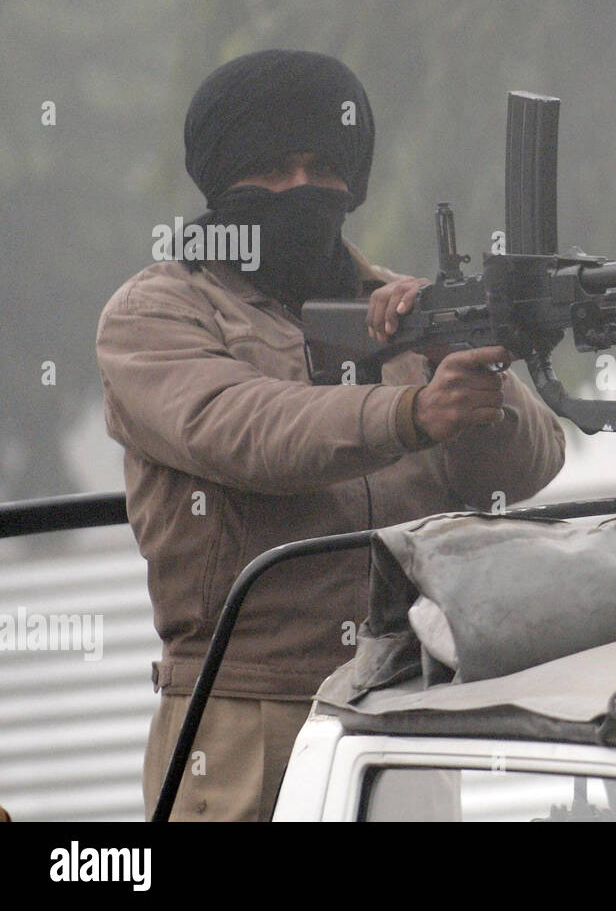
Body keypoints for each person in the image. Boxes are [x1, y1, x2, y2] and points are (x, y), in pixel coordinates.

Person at [95, 49, 565, 821]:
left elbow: (531, 463)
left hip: (398, 708)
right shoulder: (157, 314)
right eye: (273, 169)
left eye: (321, 166)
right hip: (243, 711)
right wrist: (411, 411)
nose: (300, 189)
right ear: (223, 183)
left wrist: (474, 380)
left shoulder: (401, 305)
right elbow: (243, 428)